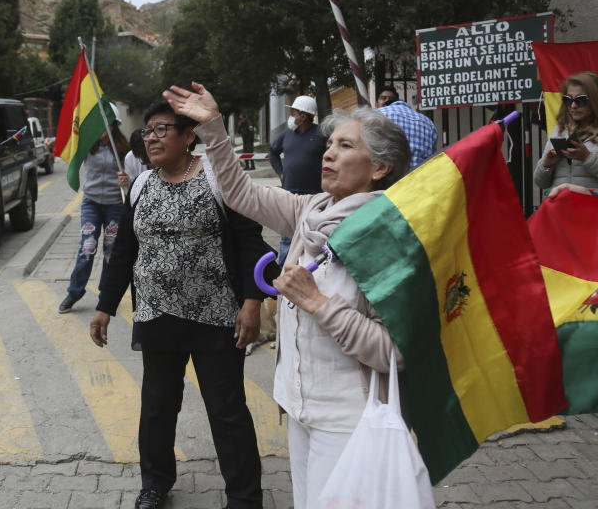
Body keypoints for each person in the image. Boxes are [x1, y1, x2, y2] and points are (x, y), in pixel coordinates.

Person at [165, 81, 411, 507]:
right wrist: (214, 131)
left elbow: (394, 352)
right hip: (298, 409)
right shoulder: (309, 211)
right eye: (329, 143)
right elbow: (240, 193)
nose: (328, 153)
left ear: (381, 168)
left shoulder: (389, 237)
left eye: (345, 146)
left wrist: (316, 302)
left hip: (349, 420)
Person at [90, 99, 273, 509]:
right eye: (148, 131)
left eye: (161, 130)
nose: (151, 138)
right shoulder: (139, 185)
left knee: (227, 410)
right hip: (157, 314)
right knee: (157, 406)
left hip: (217, 316)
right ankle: (155, 484)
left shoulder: (218, 179)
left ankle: (244, 497)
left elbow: (250, 242)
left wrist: (252, 301)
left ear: (189, 136)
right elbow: (123, 252)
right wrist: (104, 305)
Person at [58, 113, 131, 313]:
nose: (102, 130)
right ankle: (74, 293)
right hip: (91, 203)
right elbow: (68, 142)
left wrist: (127, 179)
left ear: (114, 125)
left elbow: (136, 174)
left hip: (115, 205)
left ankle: (105, 293)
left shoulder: (124, 150)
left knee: (110, 251)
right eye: (98, 125)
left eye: (106, 124)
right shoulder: (87, 145)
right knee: (87, 247)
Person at [534, 71, 598, 200]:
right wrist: (546, 165)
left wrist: (587, 158)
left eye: (581, 100)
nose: (573, 106)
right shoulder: (560, 129)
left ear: (597, 100)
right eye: (568, 100)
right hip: (561, 210)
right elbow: (541, 183)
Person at [269, 95, 326, 265]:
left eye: (294, 113)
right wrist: (280, 172)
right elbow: (272, 153)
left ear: (304, 115)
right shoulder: (286, 135)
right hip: (290, 194)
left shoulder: (321, 135)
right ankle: (284, 272)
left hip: (315, 196)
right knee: (287, 238)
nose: (291, 116)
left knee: (313, 237)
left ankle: (310, 271)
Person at [377, 99, 438, 169]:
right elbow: (432, 159)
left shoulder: (377, 116)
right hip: (418, 176)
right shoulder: (428, 123)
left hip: (386, 177)